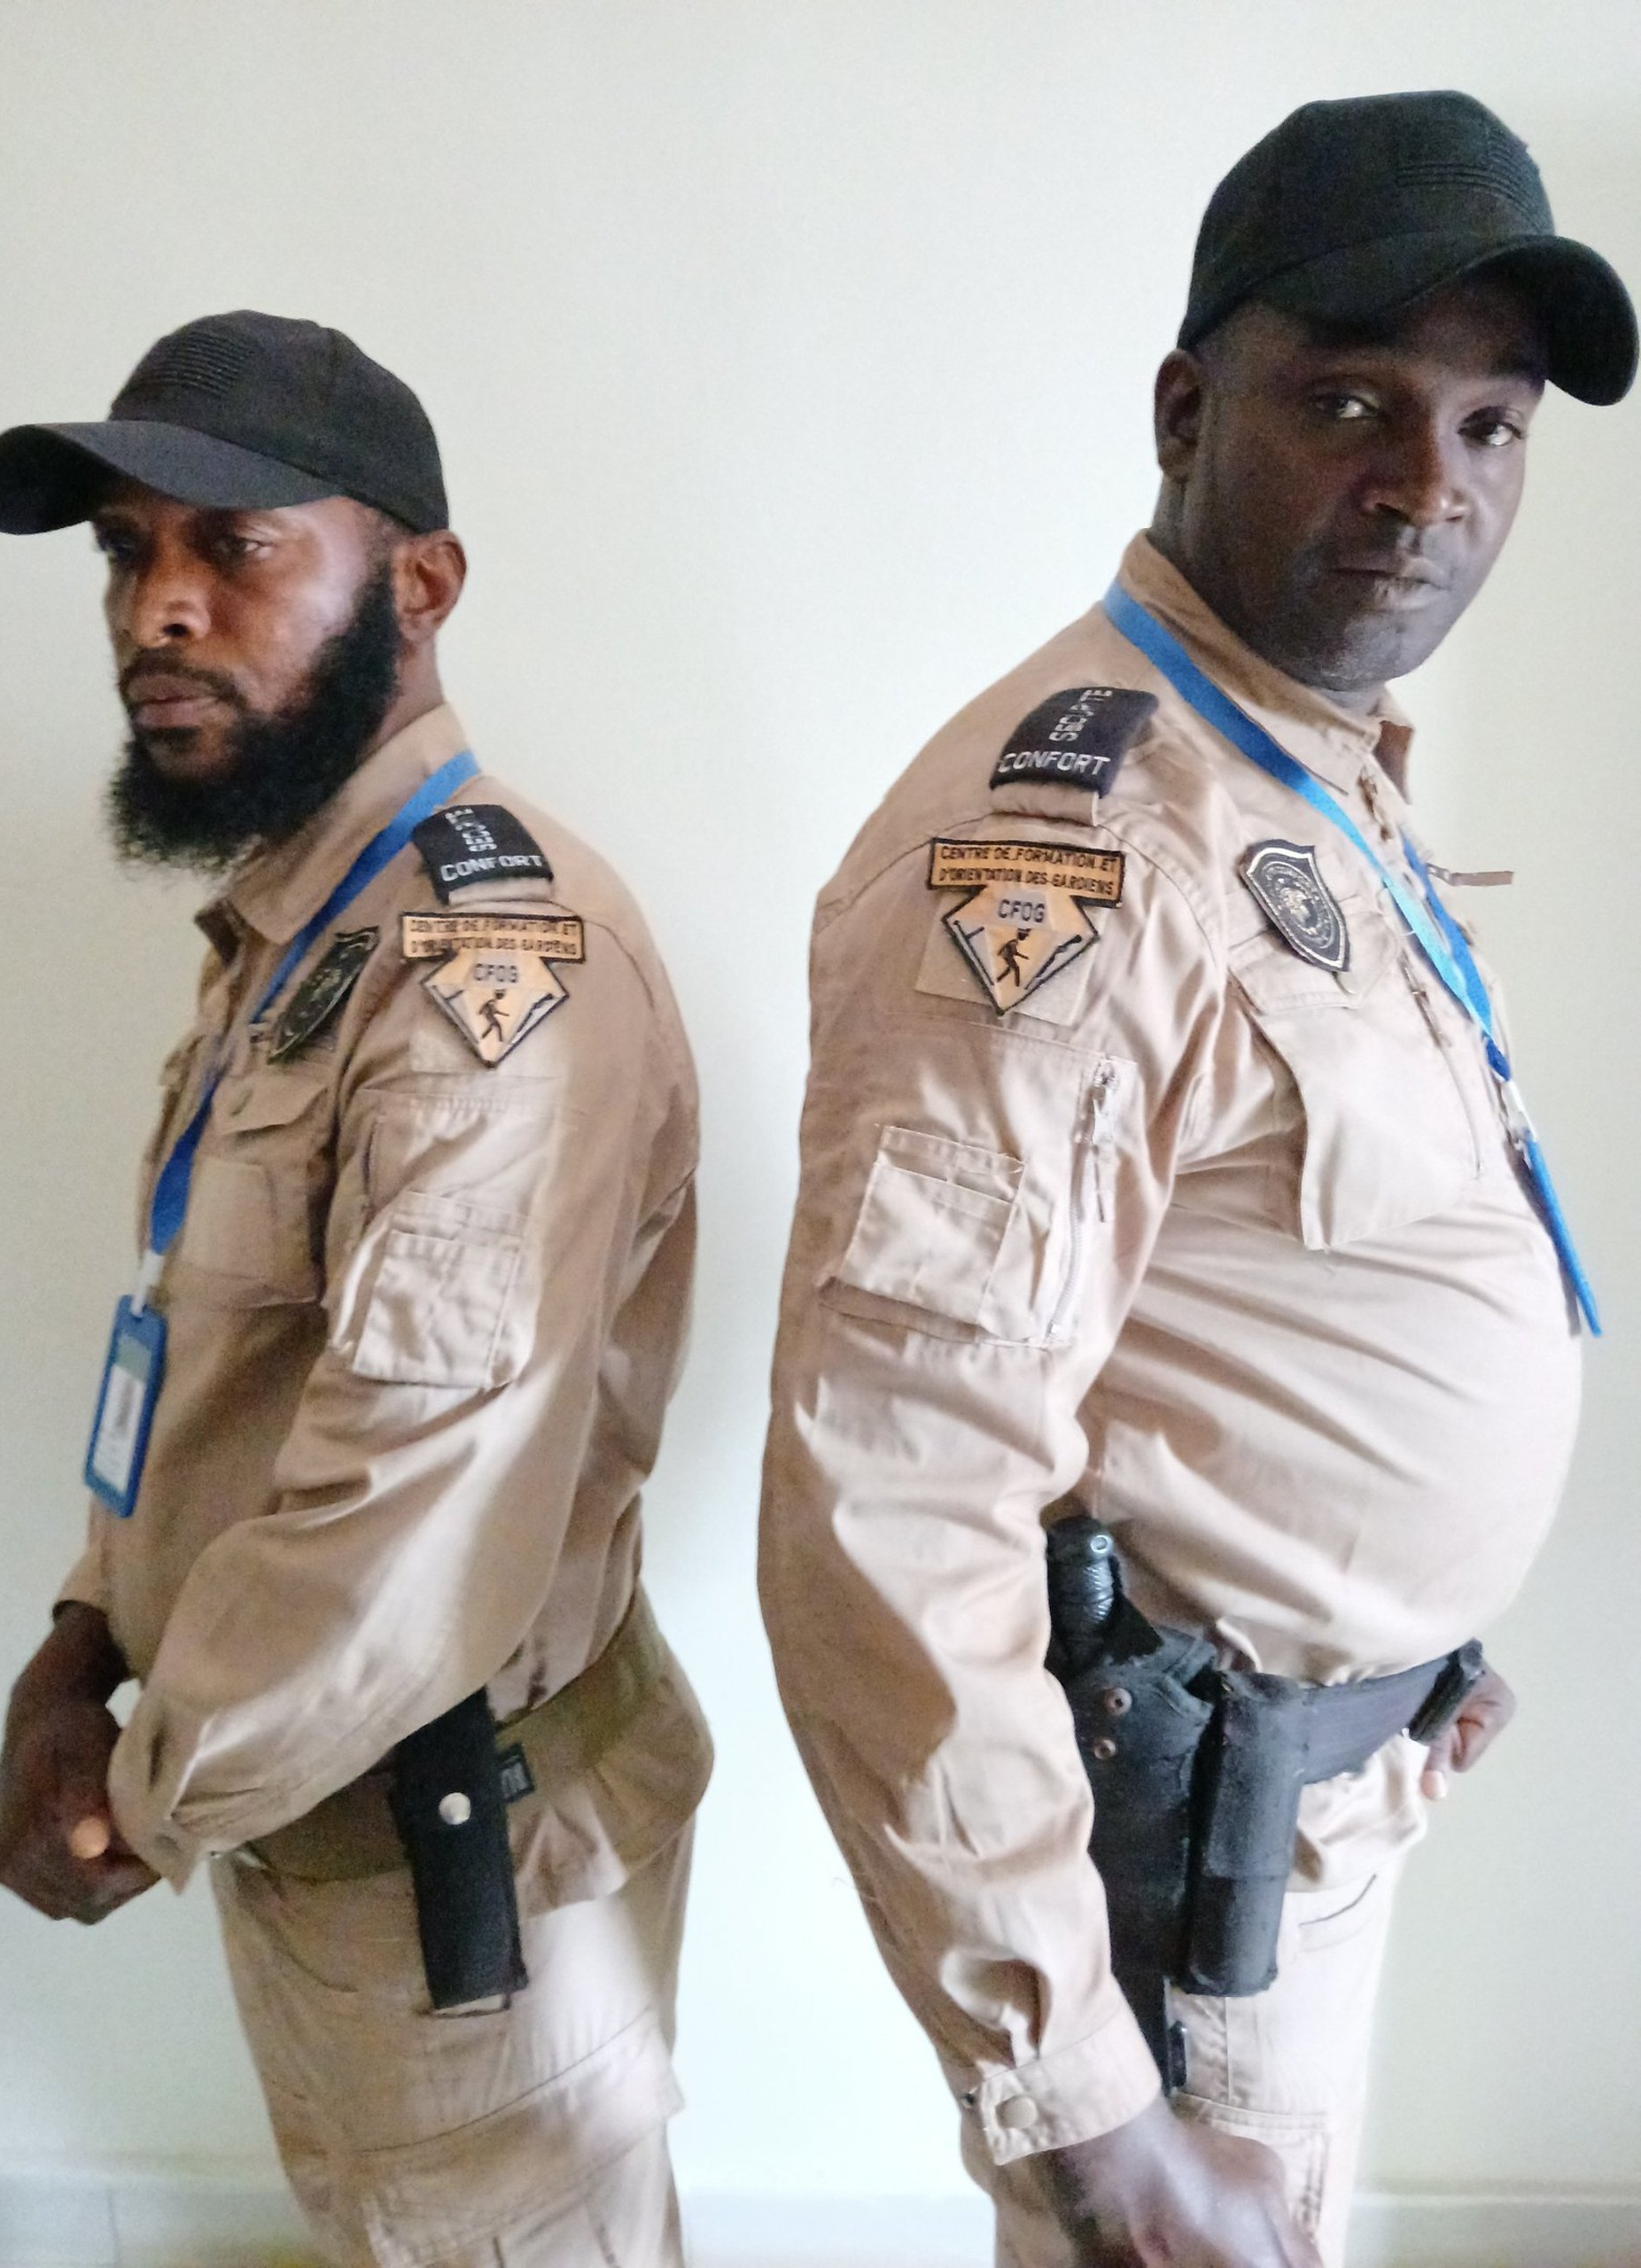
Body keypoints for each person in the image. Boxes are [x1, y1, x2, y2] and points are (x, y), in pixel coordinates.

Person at [759, 90, 1635, 2268]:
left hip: (1312, 1804)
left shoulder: (1297, 765)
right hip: (1183, 1914)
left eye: (1492, 426)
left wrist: (1406, 1643)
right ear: (1183, 411)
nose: (1429, 485)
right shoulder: (1073, 844)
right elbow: (894, 1496)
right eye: (1350, 402)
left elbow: (1275, 1291)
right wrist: (1087, 2109)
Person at [0, 310, 712, 2268]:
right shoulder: (305, 926)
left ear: (421, 584)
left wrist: (141, 1791)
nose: (159, 609)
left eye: (235, 548)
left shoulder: (485, 964)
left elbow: (420, 1499)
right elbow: (227, 1361)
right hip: (327, 1819)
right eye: (126, 552)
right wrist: (85, 1625)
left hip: (451, 1872)